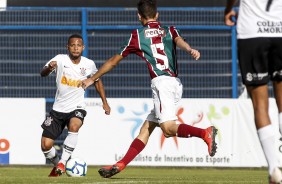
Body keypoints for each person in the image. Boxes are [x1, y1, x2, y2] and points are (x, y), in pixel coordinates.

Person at [79, 0, 218, 178]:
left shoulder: (137, 35)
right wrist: (190, 49)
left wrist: (92, 78)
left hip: (162, 84)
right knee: (146, 129)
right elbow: (179, 41)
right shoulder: (170, 30)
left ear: (139, 16)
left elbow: (114, 61)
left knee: (168, 129)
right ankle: (120, 165)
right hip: (175, 83)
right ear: (157, 15)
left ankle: (204, 133)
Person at [224, 0, 282, 183]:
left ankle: (274, 169)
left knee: (260, 105)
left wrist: (228, 9)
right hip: (280, 31)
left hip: (252, 34)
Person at [40, 34, 111, 177]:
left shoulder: (89, 64)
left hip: (77, 107)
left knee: (74, 126)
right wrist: (49, 68)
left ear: (83, 47)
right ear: (68, 47)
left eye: (78, 45)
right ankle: (58, 165)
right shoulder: (60, 59)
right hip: (58, 110)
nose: (76, 48)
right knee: (46, 146)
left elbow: (97, 81)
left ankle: (63, 162)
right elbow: (43, 73)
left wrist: (104, 102)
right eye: (73, 45)